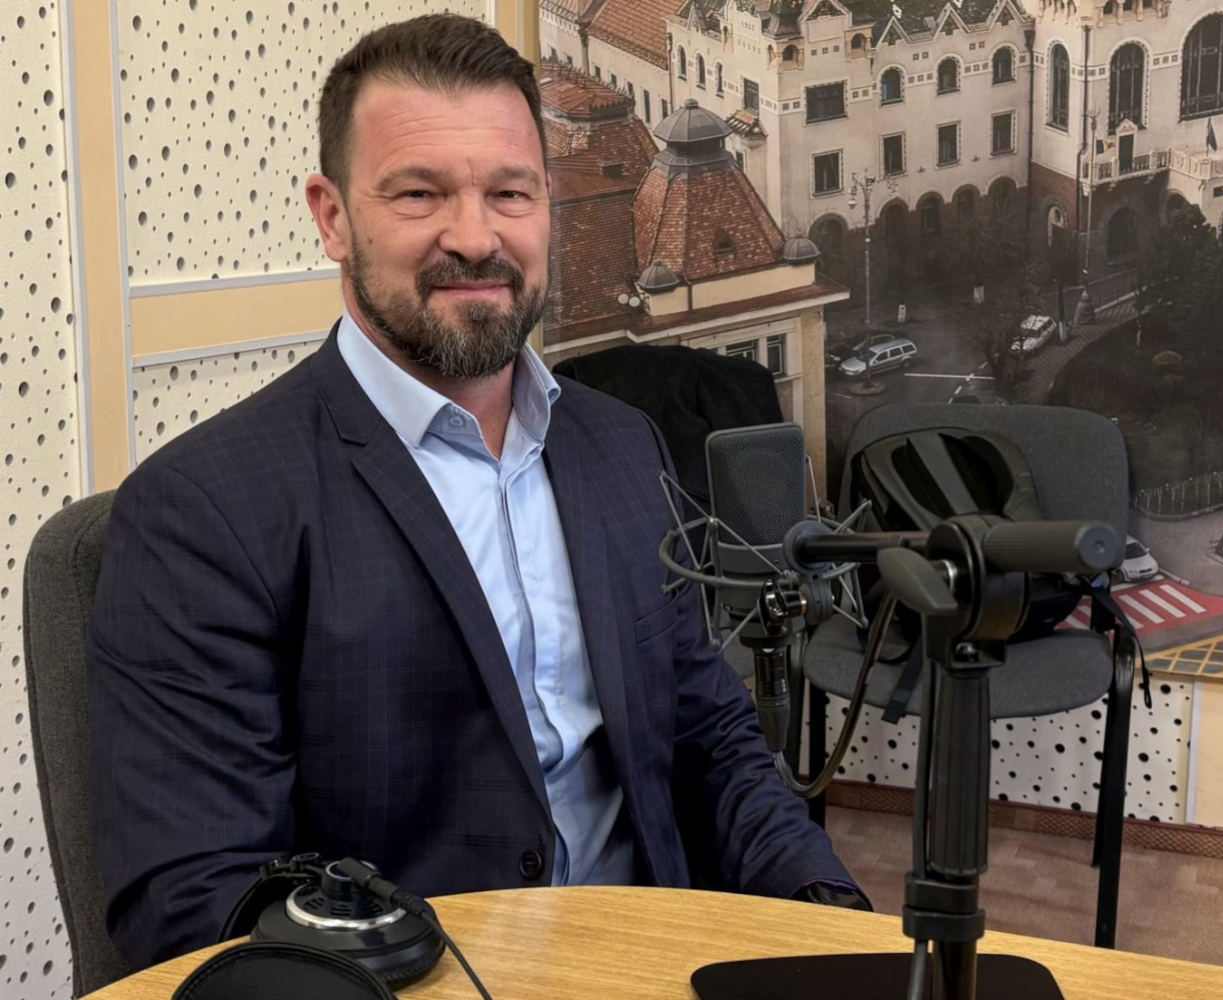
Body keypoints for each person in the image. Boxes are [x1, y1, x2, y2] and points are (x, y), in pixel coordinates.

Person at [87, 15, 863, 970]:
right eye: (420, 193)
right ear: (333, 217)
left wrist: (831, 917)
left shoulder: (621, 446)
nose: (475, 236)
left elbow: (706, 734)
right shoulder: (202, 515)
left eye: (509, 192)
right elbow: (197, 906)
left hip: (647, 959)